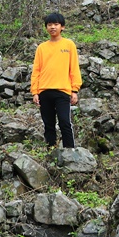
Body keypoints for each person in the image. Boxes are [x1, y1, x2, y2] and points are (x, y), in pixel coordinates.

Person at [31, 12, 82, 148]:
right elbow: (36, 70)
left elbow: (74, 68)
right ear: (46, 27)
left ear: (62, 27)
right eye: (49, 25)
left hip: (63, 91)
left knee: (65, 122)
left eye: (56, 24)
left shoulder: (69, 45)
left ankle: (70, 152)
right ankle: (51, 151)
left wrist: (74, 89)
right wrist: (35, 92)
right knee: (49, 124)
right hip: (44, 91)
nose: (52, 27)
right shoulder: (41, 48)